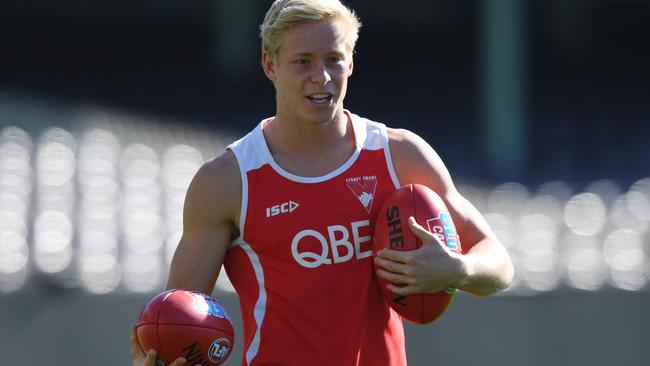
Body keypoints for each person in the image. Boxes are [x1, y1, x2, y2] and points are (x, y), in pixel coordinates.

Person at [131, 0, 514, 365]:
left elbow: (497, 263)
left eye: (334, 59)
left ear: (351, 63)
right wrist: (162, 352)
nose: (322, 76)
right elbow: (175, 318)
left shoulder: (400, 155)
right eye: (303, 62)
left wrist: (456, 271)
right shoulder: (227, 181)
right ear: (270, 65)